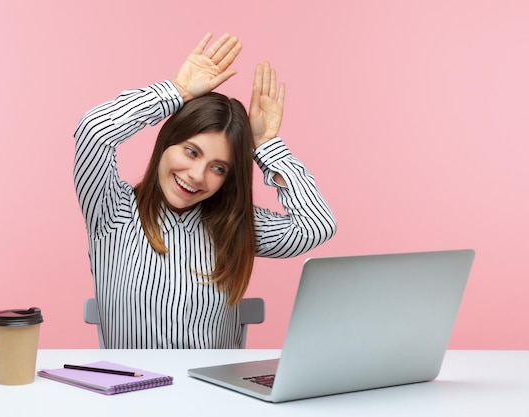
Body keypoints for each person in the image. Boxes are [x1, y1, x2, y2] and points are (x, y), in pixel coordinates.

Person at [73, 33, 336, 349]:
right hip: (135, 392)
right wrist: (177, 91)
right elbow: (94, 130)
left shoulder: (233, 225)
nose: (197, 176)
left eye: (219, 167)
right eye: (191, 152)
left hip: (214, 394)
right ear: (167, 143)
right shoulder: (112, 210)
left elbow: (316, 225)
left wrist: (266, 146)